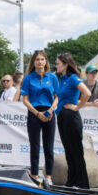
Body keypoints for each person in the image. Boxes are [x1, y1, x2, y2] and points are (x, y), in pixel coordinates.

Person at [21, 51, 59, 185]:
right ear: (33, 62)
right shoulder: (28, 78)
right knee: (35, 146)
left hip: (49, 113)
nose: (40, 62)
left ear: (46, 62)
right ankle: (35, 175)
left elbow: (57, 97)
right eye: (37, 59)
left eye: (42, 59)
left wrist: (50, 110)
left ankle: (49, 176)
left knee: (49, 146)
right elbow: (25, 99)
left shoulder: (52, 77)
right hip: (34, 113)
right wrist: (37, 113)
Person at [55, 53, 92, 189]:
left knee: (76, 151)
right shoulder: (62, 79)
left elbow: (87, 93)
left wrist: (77, 107)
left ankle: (82, 184)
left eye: (58, 63)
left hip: (71, 116)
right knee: (68, 151)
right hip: (62, 116)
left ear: (65, 64)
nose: (56, 65)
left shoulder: (73, 78)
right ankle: (71, 181)